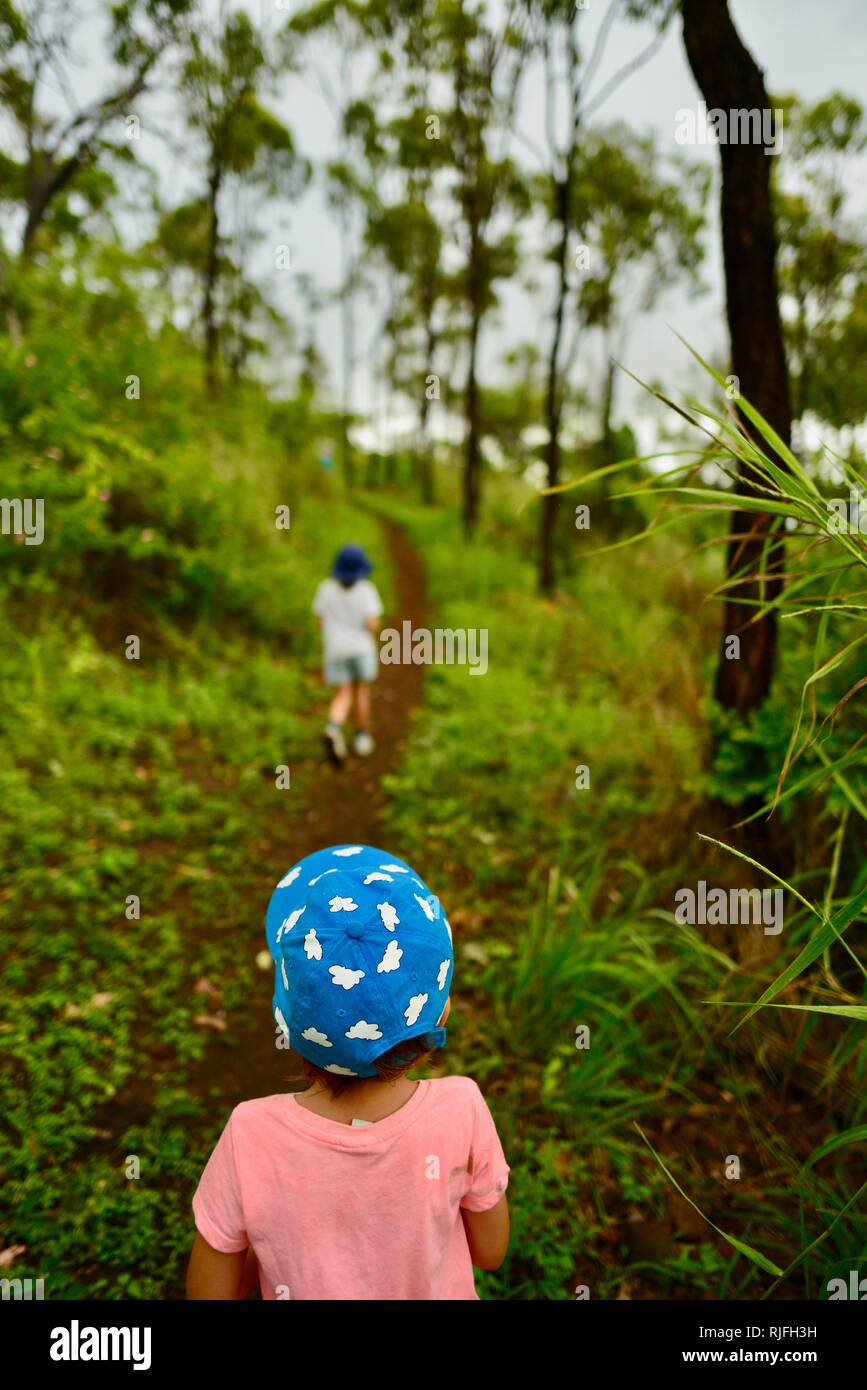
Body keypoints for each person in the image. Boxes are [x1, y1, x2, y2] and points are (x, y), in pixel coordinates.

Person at [187, 844, 510, 1301]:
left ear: (287, 1020)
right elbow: (491, 1251)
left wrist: (266, 1243)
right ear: (441, 1014)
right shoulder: (463, 1110)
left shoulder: (250, 1136)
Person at [313, 544, 382, 762]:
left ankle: (334, 727)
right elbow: (372, 624)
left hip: (335, 650)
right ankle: (361, 736)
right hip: (361, 649)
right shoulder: (366, 590)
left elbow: (319, 621)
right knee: (360, 689)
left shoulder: (325, 588)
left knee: (343, 693)